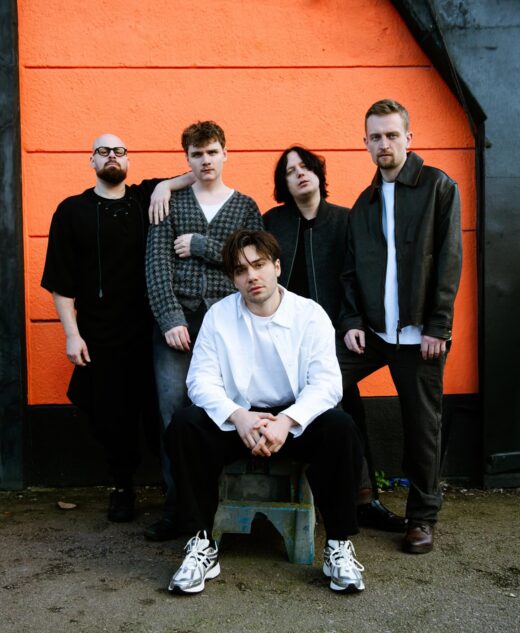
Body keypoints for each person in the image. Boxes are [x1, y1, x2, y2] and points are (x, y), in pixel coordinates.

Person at [166, 229, 365, 595]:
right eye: (241, 270)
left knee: (340, 427)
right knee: (185, 425)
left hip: (292, 421)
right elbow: (200, 381)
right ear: (233, 279)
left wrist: (287, 421)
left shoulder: (309, 315)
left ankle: (338, 545)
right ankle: (201, 542)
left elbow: (327, 384)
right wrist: (238, 416)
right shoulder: (219, 317)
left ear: (276, 266)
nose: (251, 276)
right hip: (239, 421)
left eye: (258, 265)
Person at [41, 133, 193, 522]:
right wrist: (72, 333)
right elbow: (60, 280)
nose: (112, 156)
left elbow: (197, 171)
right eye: (104, 151)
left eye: (120, 151)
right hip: (100, 333)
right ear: (91, 160)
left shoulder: (144, 198)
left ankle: (173, 491)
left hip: (152, 329)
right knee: (111, 415)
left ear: (128, 160)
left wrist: (164, 187)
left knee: (160, 410)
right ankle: (123, 487)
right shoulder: (71, 210)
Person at [340, 99, 462, 553]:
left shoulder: (437, 186)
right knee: (325, 381)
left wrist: (438, 326)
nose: (384, 144)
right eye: (375, 137)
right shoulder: (365, 203)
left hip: (420, 335)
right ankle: (360, 492)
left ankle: (422, 516)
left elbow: (449, 259)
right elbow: (350, 270)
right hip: (373, 333)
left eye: (392, 135)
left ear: (409, 138)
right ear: (365, 143)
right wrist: (352, 321)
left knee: (422, 425)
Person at [263, 146, 405, 532]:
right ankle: (353, 499)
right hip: (283, 339)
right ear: (284, 183)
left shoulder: (344, 219)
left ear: (318, 174)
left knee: (344, 403)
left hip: (334, 335)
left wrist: (353, 321)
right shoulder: (273, 221)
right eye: (290, 170)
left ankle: (362, 499)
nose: (300, 173)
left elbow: (358, 276)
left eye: (306, 166)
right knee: (334, 407)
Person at [145, 121, 263, 541]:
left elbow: (252, 260)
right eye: (197, 154)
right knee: (173, 414)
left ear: (225, 154)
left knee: (228, 407)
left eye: (212, 152)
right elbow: (156, 264)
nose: (206, 160)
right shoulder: (170, 202)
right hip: (179, 322)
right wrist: (170, 318)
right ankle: (177, 508)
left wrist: (200, 245)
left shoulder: (245, 206)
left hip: (230, 322)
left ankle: (223, 504)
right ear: (188, 159)